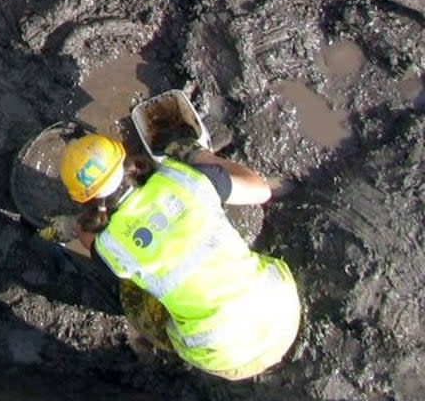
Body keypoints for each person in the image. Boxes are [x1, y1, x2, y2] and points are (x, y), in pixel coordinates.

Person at [58, 133, 300, 381]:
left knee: (131, 293)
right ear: (124, 155)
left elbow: (89, 240)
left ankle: (145, 340)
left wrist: (75, 227)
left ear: (81, 198)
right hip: (284, 314)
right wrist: (200, 155)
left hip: (225, 356)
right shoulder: (184, 178)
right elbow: (260, 191)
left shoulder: (111, 246)